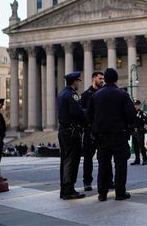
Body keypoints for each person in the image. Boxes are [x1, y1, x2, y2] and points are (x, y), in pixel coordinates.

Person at [87, 68, 135, 201]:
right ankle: (120, 193)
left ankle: (102, 193)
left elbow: (89, 116)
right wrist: (128, 127)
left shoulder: (95, 96)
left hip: (101, 136)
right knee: (120, 164)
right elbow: (131, 115)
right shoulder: (122, 94)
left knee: (103, 164)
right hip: (119, 134)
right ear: (116, 79)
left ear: (105, 79)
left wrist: (95, 129)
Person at [80, 71, 114, 191]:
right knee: (88, 158)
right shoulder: (85, 95)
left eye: (103, 79)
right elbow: (82, 113)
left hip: (102, 131)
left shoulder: (104, 93)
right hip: (90, 131)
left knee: (105, 157)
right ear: (93, 79)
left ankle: (109, 180)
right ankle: (87, 182)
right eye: (100, 78)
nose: (102, 81)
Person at [56, 72, 86, 200]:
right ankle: (68, 190)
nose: (79, 83)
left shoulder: (62, 93)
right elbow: (77, 113)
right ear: (74, 82)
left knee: (65, 160)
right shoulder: (73, 95)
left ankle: (65, 188)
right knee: (71, 161)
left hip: (63, 130)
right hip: (72, 132)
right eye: (78, 81)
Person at [131, 99, 147, 166]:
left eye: (137, 105)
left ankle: (144, 159)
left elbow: (146, 121)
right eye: (134, 105)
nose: (135, 106)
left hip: (140, 131)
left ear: (139, 105)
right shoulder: (132, 113)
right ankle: (137, 159)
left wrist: (140, 118)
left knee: (141, 146)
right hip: (134, 131)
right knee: (135, 146)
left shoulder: (142, 113)